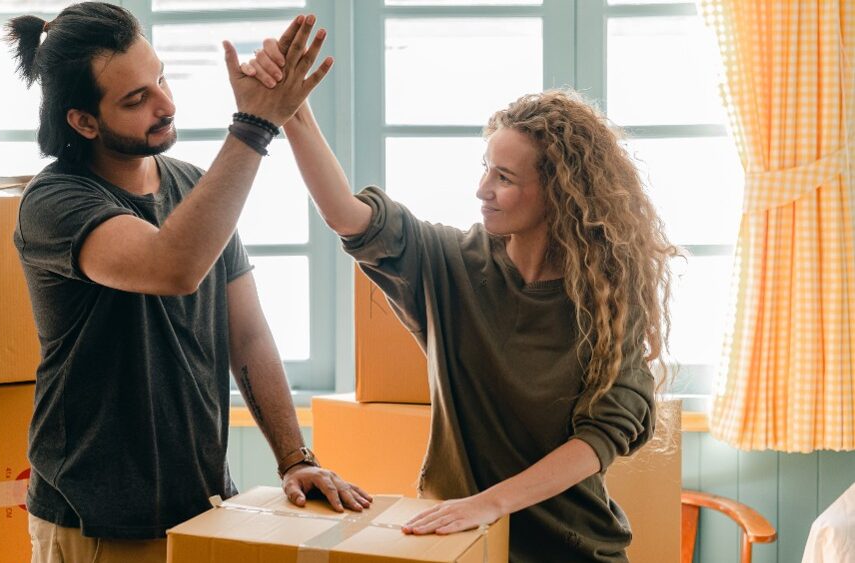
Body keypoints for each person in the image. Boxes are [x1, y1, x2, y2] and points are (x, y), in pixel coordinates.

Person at [244, 29, 678, 562]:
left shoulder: (606, 299)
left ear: (560, 193)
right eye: (485, 168)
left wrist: (489, 503)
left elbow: (600, 438)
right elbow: (347, 216)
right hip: (460, 544)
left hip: (572, 550)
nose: (482, 190)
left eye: (504, 177)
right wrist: (292, 111)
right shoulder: (449, 263)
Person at [4, 5, 370, 562]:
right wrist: (255, 125)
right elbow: (172, 267)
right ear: (84, 121)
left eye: (162, 77)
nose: (166, 103)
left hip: (204, 507)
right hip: (95, 522)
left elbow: (247, 334)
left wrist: (295, 458)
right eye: (136, 100)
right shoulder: (54, 202)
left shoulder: (196, 187)